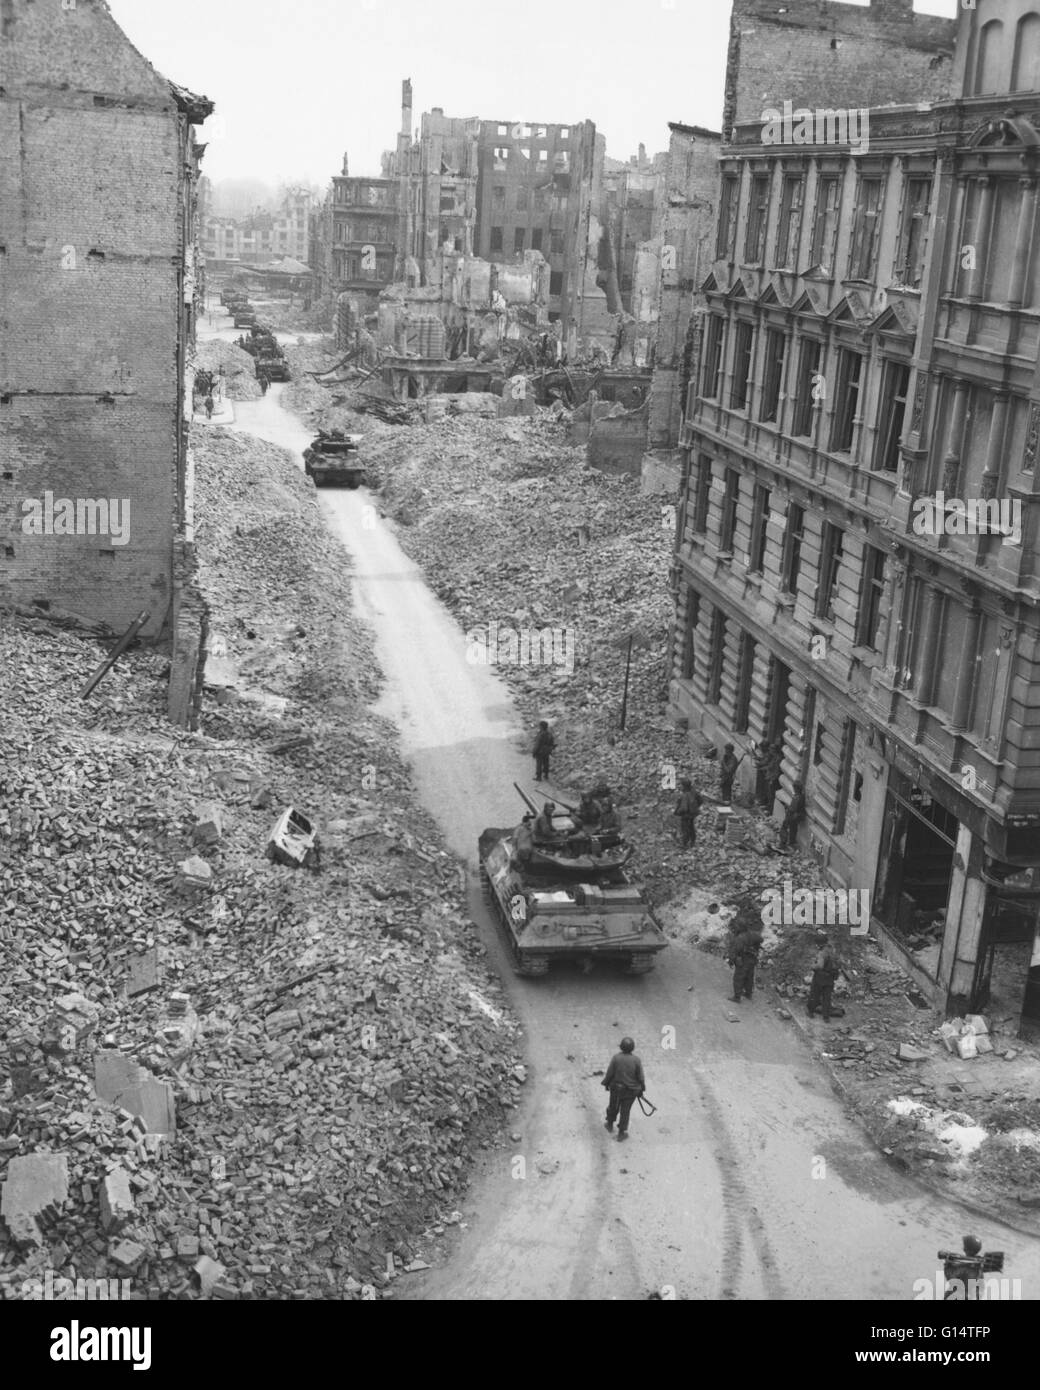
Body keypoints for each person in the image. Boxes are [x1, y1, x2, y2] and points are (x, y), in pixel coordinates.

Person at [602, 1036, 645, 1142]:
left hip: (616, 1089)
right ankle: (621, 1133)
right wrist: (641, 1089)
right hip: (631, 1092)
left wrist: (606, 1083)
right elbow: (640, 1077)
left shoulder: (616, 1058)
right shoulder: (636, 1060)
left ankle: (610, 1124)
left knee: (613, 1106)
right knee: (625, 1111)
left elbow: (610, 1073)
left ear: (621, 1047)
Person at [807, 930, 841, 1020]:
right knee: (827, 998)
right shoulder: (832, 950)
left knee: (815, 995)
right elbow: (837, 962)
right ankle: (826, 1017)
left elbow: (820, 966)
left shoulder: (822, 953)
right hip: (830, 978)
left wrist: (812, 966)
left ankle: (810, 1012)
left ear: (819, 944)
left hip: (820, 978)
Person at [728, 919, 763, 1002]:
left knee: (738, 978)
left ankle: (737, 997)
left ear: (740, 927)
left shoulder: (740, 938)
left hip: (743, 960)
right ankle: (748, 994)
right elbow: (761, 939)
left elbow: (734, 951)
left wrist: (731, 961)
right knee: (749, 977)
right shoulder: (753, 934)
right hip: (753, 959)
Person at [673, 778, 702, 849]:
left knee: (685, 829)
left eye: (681, 785)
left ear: (684, 786)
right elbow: (700, 800)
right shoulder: (694, 792)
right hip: (693, 814)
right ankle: (692, 841)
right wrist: (696, 807)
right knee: (691, 827)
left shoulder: (685, 795)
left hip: (686, 815)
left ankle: (684, 844)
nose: (680, 786)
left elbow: (684, 808)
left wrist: (677, 812)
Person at [779, 779, 806, 849]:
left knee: (785, 827)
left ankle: (783, 843)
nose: (793, 789)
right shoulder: (801, 796)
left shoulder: (797, 797)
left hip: (792, 816)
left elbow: (793, 808)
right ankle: (791, 842)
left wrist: (787, 807)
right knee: (793, 829)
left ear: (796, 788)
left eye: (794, 788)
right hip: (795, 816)